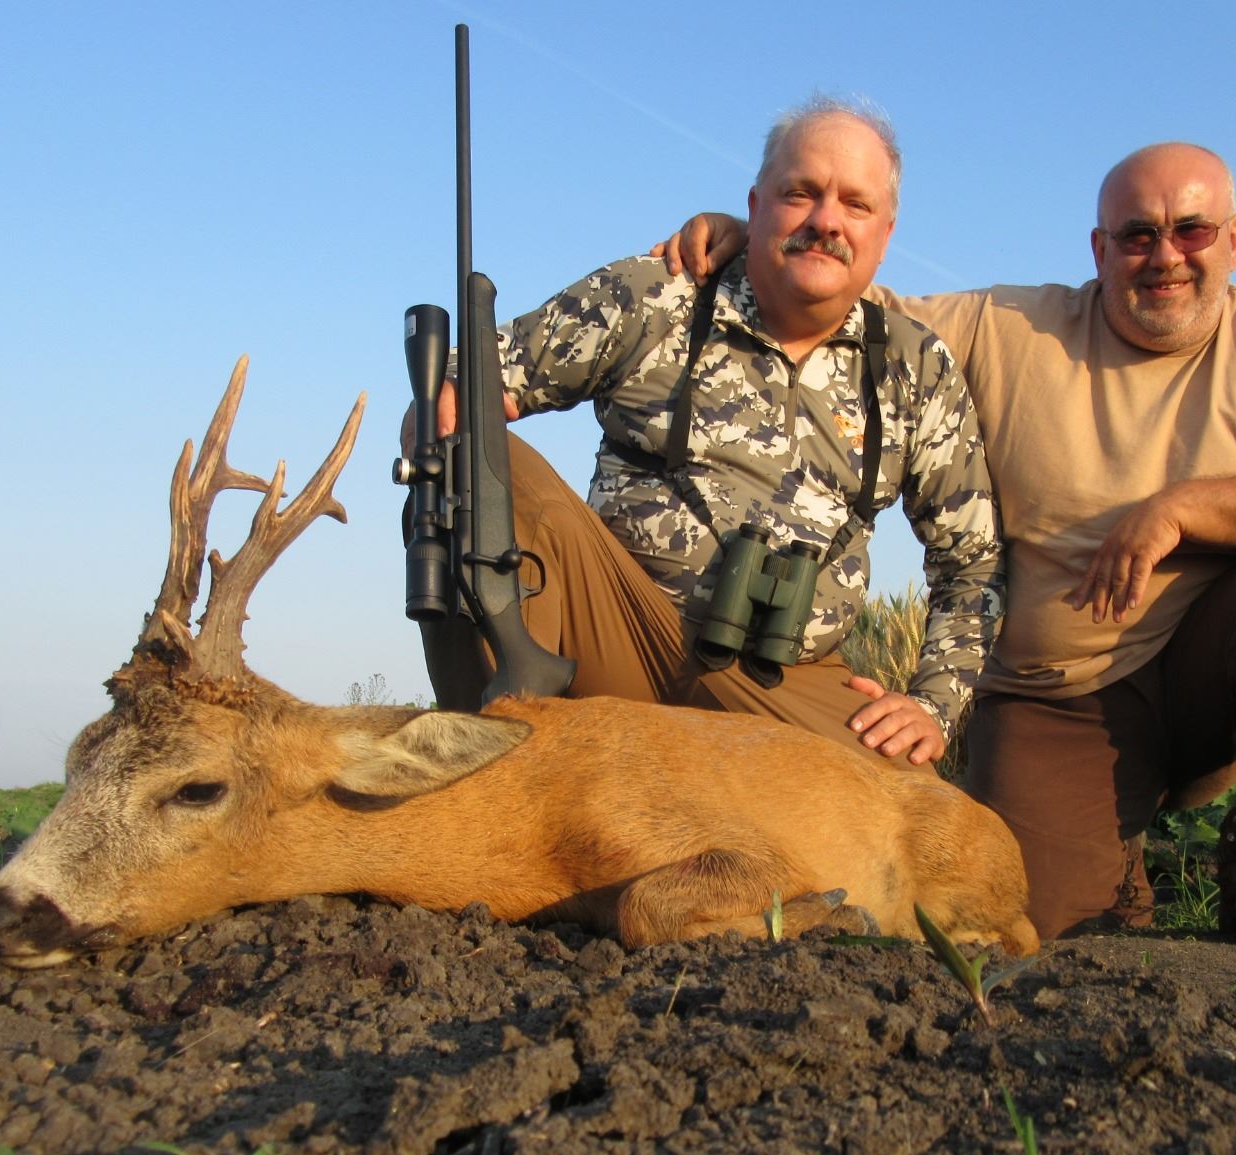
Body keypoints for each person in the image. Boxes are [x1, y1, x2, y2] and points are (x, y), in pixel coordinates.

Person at [659, 142, 1236, 943]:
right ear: (1099, 249)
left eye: (1192, 231)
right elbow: (851, 299)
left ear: (1235, 238)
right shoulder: (1010, 327)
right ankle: (1117, 864)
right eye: (1138, 236)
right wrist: (770, 237)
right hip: (1056, 695)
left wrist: (1181, 509)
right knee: (1022, 914)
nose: (1165, 257)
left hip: (1207, 674)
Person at [410, 97, 1002, 769]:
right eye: (800, 193)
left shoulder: (914, 367)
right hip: (618, 629)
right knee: (477, 460)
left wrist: (933, 703)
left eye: (855, 204)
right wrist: (440, 410)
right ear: (755, 206)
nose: (826, 220)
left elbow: (972, 563)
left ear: (885, 234)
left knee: (905, 801)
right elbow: (466, 381)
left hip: (782, 677)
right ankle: (497, 755)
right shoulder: (661, 293)